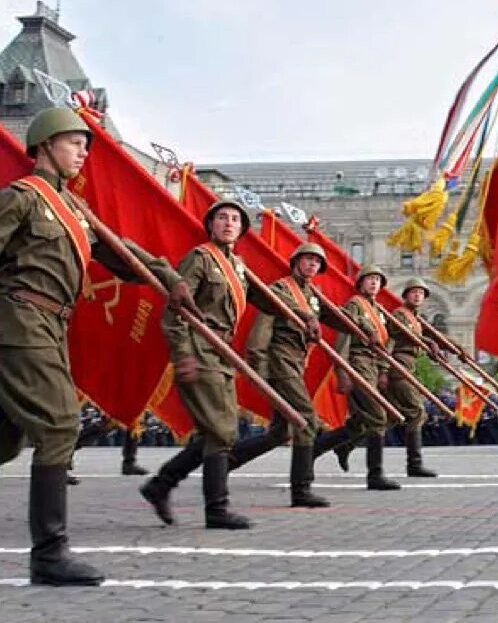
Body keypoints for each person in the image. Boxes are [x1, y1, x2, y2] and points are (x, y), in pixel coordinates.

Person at [0, 107, 192, 586]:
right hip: (19, 319)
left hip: (50, 326)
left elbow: (123, 254)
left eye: (86, 144)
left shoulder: (75, 213)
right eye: (73, 142)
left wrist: (170, 279)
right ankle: (49, 555)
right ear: (44, 146)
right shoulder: (22, 198)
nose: (83, 152)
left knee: (5, 439)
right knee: (60, 422)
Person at [140, 200, 317, 529]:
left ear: (242, 229)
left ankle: (161, 485)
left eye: (235, 219)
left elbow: (265, 299)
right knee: (222, 431)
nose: (228, 223)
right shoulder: (200, 258)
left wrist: (303, 314)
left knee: (213, 432)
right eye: (222, 217)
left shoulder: (236, 265)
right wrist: (183, 354)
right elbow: (176, 308)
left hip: (222, 352)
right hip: (200, 346)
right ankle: (216, 510)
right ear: (210, 224)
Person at [226, 242, 353, 507]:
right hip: (279, 362)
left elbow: (337, 319)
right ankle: (301, 489)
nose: (312, 265)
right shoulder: (280, 290)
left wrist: (363, 328)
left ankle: (228, 460)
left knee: (280, 432)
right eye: (307, 260)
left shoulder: (313, 296)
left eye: (317, 262)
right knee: (305, 420)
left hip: (296, 363)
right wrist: (258, 369)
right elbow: (261, 332)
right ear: (296, 262)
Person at [314, 265, 402, 490]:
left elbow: (385, 344)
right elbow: (343, 337)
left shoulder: (379, 311)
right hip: (357, 363)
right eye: (369, 279)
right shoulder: (354, 305)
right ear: (360, 283)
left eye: (377, 280)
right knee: (378, 415)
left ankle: (327, 445)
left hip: (372, 365)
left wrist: (383, 369)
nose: (374, 283)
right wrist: (342, 372)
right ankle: (375, 475)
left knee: (364, 420)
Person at [384, 277, 442, 477]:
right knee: (417, 412)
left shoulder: (415, 318)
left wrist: (456, 348)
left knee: (385, 419)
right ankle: (414, 465)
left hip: (409, 366)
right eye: (413, 292)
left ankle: (335, 444)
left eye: (421, 293)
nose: (417, 296)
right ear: (406, 295)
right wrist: (428, 342)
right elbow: (403, 335)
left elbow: (434, 336)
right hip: (398, 366)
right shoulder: (400, 314)